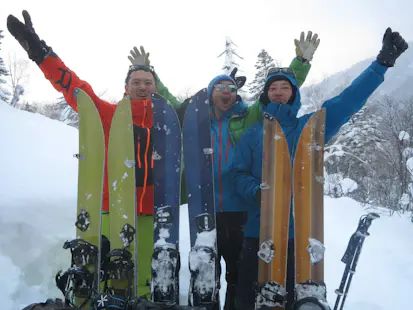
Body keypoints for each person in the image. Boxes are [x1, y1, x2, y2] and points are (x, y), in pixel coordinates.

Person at [6, 10, 182, 298]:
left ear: (155, 87)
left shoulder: (167, 121)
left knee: (147, 278)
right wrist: (41, 53)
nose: (142, 87)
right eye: (136, 82)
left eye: (147, 83)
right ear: (125, 88)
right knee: (113, 273)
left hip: (152, 210)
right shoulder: (109, 115)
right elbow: (75, 88)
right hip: (112, 207)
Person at [233, 27, 408, 310]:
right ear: (266, 95)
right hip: (259, 232)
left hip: (299, 233)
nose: (278, 92)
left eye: (284, 87)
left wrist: (381, 65)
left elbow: (347, 101)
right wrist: (256, 192)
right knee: (250, 303)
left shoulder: (308, 129)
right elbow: (238, 173)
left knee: (295, 302)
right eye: (272, 88)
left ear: (293, 94)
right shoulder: (254, 134)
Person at [204, 31, 320, 310]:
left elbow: (282, 94)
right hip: (206, 208)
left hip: (239, 208)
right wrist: (152, 78)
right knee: (207, 274)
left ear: (237, 94)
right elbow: (170, 104)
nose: (226, 93)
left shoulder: (250, 116)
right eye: (219, 88)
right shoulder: (199, 120)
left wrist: (301, 61)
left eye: (231, 89)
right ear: (210, 94)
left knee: (236, 275)